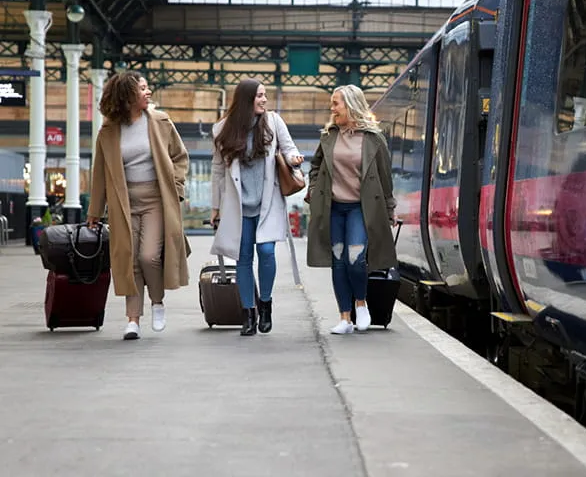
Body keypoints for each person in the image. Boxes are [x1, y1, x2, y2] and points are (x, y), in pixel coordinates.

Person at [87, 71, 190, 340]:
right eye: (142, 89)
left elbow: (180, 157)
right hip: (123, 202)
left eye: (147, 87)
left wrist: (176, 188)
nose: (148, 92)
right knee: (128, 260)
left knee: (148, 256)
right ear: (126, 96)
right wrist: (94, 212)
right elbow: (100, 173)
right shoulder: (109, 131)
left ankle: (157, 302)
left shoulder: (160, 121)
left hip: (156, 199)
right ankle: (133, 319)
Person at [210, 78, 303, 336]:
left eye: (265, 95)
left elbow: (289, 147)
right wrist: (215, 208)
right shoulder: (222, 130)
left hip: (267, 201)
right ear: (245, 100)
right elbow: (217, 171)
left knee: (266, 251)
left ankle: (266, 305)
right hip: (237, 205)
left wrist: (294, 158)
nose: (264, 99)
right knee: (243, 258)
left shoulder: (273, 122)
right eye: (259, 96)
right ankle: (247, 313)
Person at [306, 84, 397, 334]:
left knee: (355, 259)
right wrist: (314, 189)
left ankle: (361, 303)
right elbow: (315, 167)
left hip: (361, 208)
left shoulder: (373, 139)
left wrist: (390, 208)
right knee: (338, 261)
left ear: (351, 105)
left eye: (336, 103)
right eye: (332, 103)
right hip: (332, 207)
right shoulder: (329, 136)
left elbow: (384, 176)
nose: (332, 108)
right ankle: (345, 318)